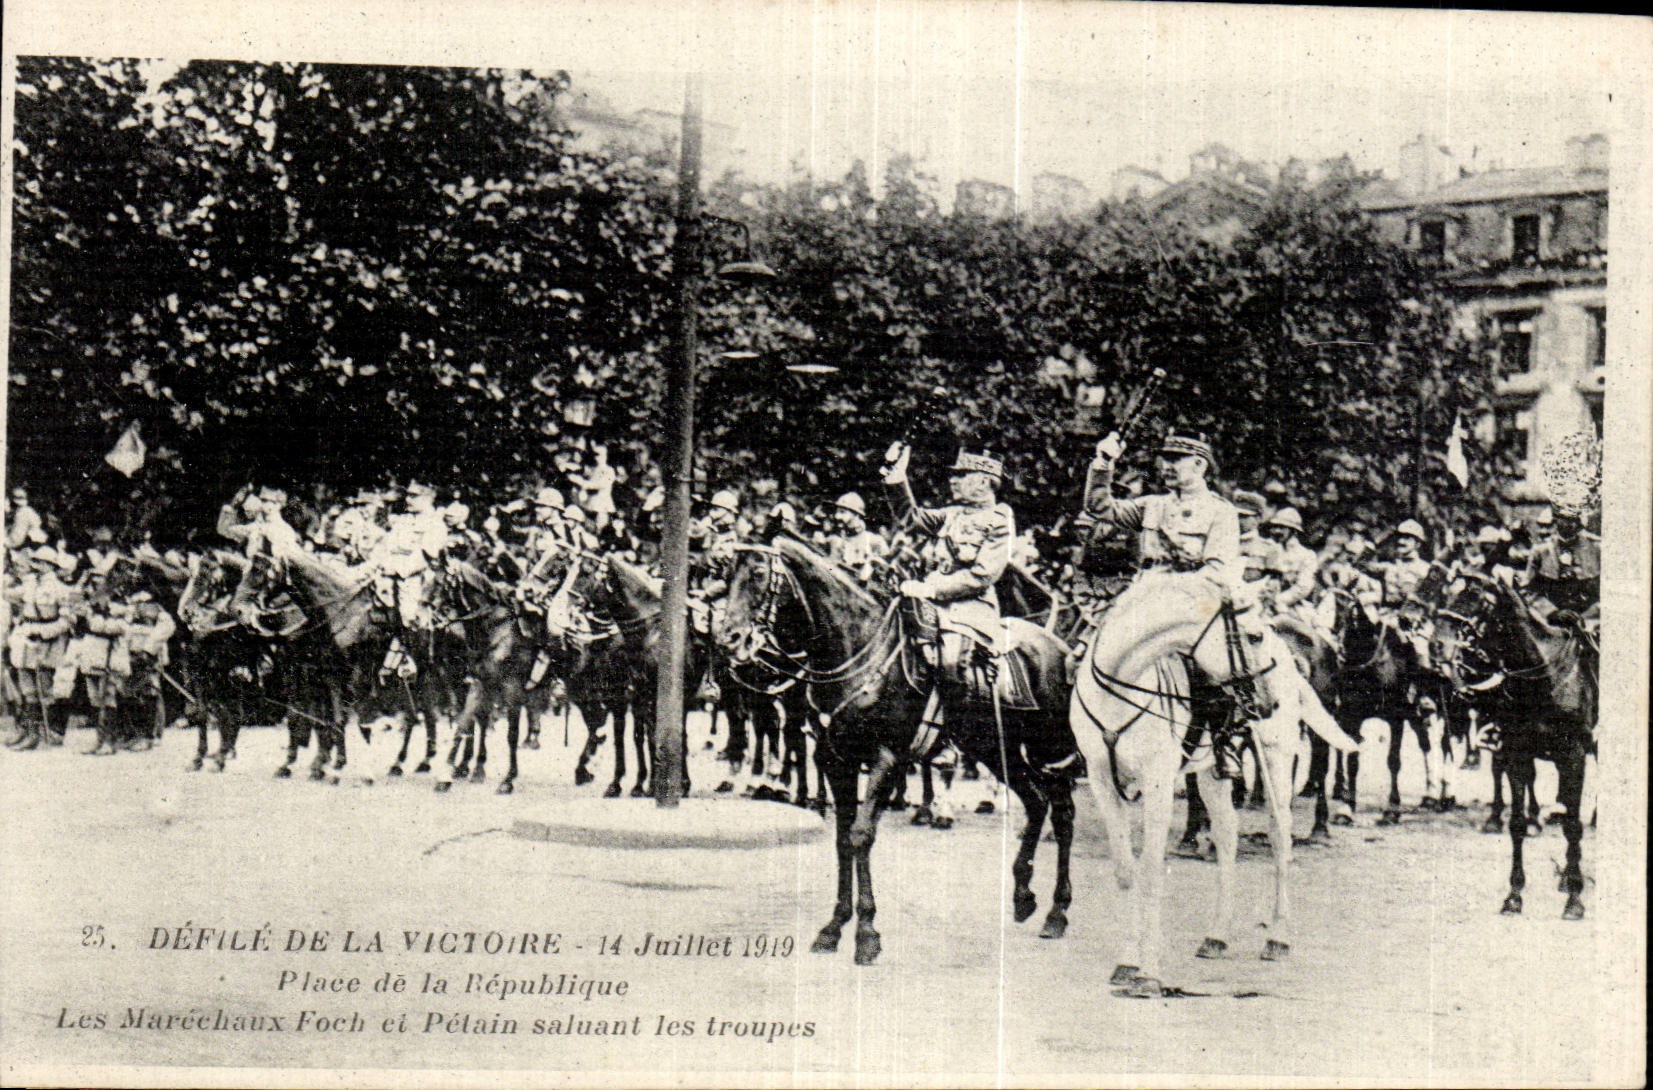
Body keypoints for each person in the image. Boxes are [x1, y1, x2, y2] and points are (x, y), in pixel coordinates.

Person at [1082, 427, 1250, 777]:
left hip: (1189, 604)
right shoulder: (1152, 506)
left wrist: (1171, 599)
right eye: (1165, 459)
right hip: (1139, 598)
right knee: (1082, 652)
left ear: (1200, 465)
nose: (1167, 466)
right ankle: (1081, 739)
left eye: (1177, 460)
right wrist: (1103, 464)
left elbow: (1216, 569)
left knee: (1213, 666)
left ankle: (1224, 743)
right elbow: (1099, 506)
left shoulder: (1220, 512)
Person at [881, 443, 1014, 712]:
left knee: (951, 661)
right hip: (929, 602)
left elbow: (983, 575)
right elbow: (910, 518)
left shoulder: (1000, 518)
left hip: (970, 610)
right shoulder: (951, 514)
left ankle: (953, 744)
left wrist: (932, 589)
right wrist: (897, 474)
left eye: (961, 475)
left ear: (984, 481)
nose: (953, 480)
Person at [1523, 507, 1600, 631]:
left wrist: (1587, 615)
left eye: (1574, 519)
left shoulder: (1596, 548)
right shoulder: (1541, 551)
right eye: (1564, 519)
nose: (1570, 525)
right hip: (1552, 624)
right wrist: (1552, 613)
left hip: (1591, 622)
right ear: (1556, 520)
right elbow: (1529, 590)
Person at [1262, 507, 1319, 623]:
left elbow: (1303, 587)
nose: (1276, 531)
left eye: (1282, 528)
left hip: (1292, 605)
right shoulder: (1270, 551)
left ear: (1293, 531)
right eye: (1275, 527)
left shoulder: (1306, 555)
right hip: (1264, 599)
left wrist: (1278, 599)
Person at [826, 491, 887, 584]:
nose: (837, 516)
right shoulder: (835, 539)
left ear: (856, 515)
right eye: (837, 512)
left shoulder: (874, 541)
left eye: (843, 512)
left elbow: (884, 572)